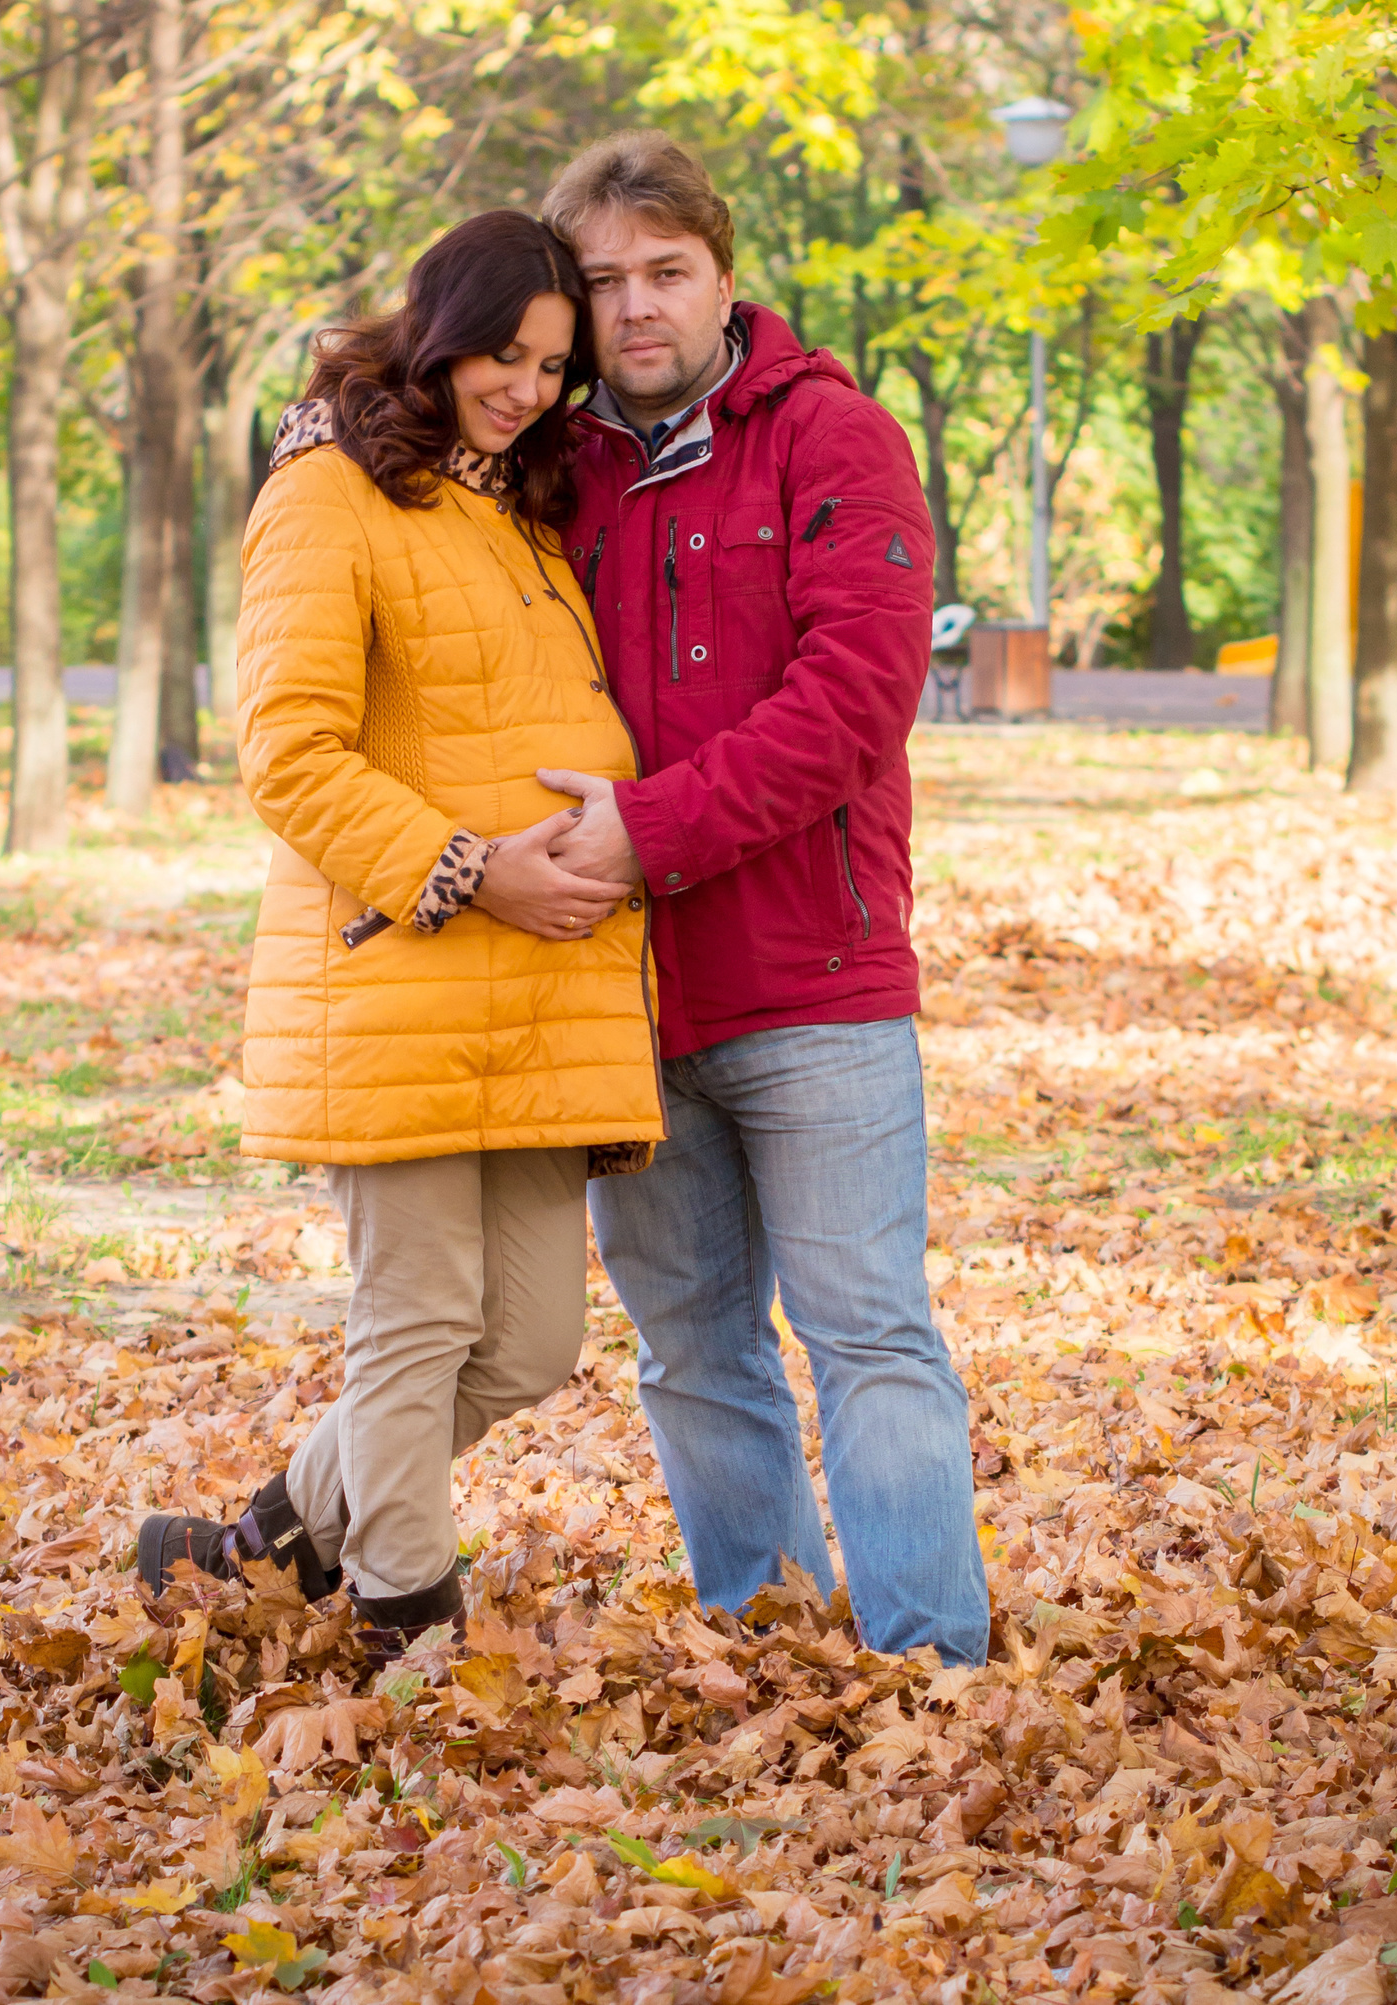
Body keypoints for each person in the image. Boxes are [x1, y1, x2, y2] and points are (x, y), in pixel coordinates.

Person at [136, 210, 663, 1655]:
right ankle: (406, 1626)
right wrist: (471, 870)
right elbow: (290, 753)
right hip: (405, 967)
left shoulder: (518, 506)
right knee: (419, 1317)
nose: (529, 386)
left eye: (555, 365)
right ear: (440, 328)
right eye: (506, 351)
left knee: (534, 1343)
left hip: (539, 989)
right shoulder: (327, 491)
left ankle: (264, 1538)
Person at [530, 132, 989, 1666]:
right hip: (625, 991)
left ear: (725, 275)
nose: (636, 306)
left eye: (666, 271)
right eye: (602, 280)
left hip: (814, 974)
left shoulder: (831, 440)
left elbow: (856, 696)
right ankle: (773, 1650)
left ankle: (931, 1663)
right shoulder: (546, 472)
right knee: (691, 1347)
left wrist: (649, 832)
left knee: (868, 1334)